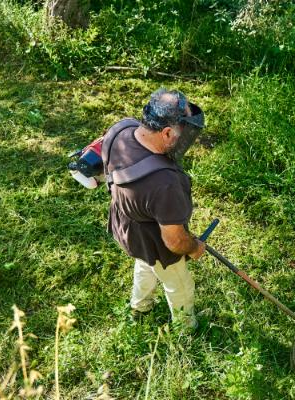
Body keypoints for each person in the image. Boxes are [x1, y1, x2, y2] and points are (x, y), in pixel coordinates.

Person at [102, 87, 206, 329]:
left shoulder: (121, 129)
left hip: (128, 228)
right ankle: (185, 328)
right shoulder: (164, 184)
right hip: (157, 243)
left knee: (145, 264)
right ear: (167, 132)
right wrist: (194, 247)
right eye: (184, 132)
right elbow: (175, 242)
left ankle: (140, 306)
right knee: (179, 285)